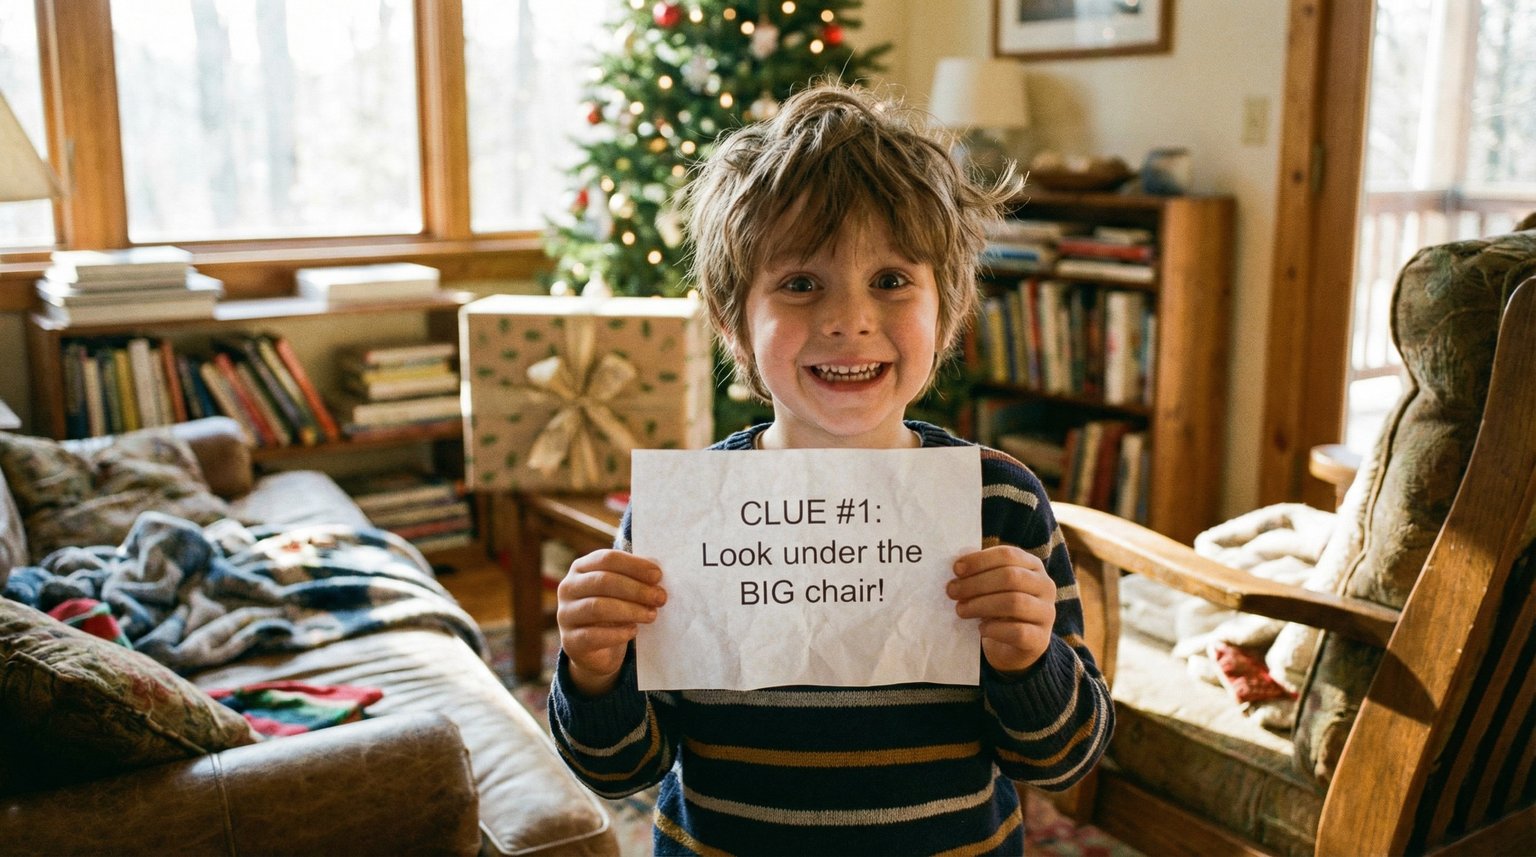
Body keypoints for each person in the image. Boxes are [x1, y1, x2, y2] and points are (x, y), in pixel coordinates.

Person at [547, 81, 1113, 855]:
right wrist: (594, 671)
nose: (848, 320)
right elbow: (621, 770)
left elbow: (1064, 757)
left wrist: (1029, 660)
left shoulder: (1000, 500)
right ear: (733, 323)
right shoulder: (685, 516)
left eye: (891, 280)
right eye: (801, 283)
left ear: (946, 309)